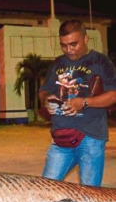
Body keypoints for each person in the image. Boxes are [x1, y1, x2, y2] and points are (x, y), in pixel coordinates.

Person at [39, 19, 116, 187]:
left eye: (73, 44)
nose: (69, 50)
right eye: (64, 45)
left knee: (89, 195)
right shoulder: (58, 63)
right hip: (61, 137)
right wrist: (46, 99)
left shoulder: (100, 61)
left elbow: (113, 95)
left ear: (86, 39)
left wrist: (84, 103)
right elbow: (44, 90)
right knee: (45, 189)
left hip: (90, 137)